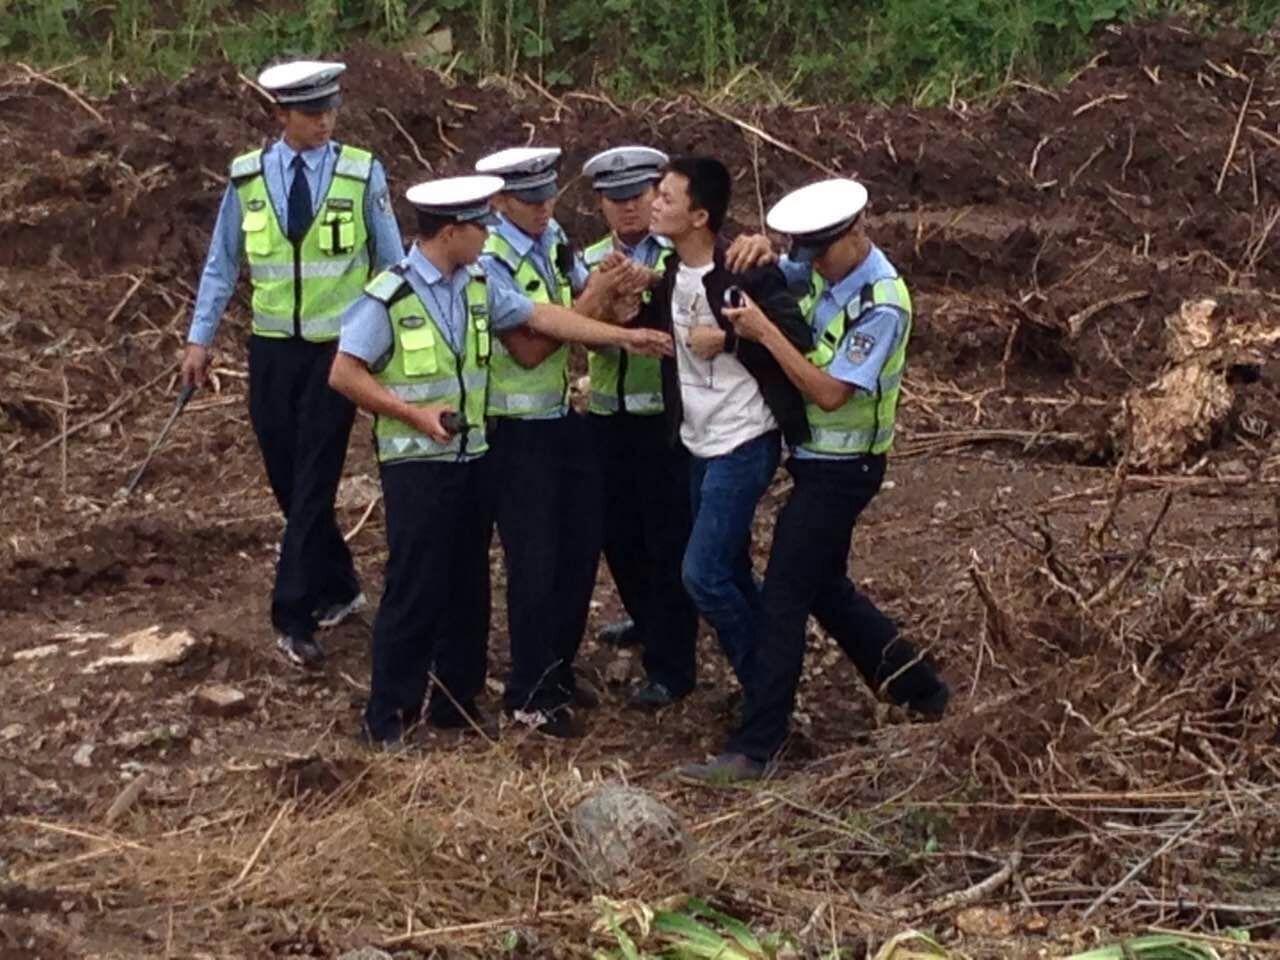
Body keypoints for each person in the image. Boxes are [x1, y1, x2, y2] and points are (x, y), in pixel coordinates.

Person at [328, 175, 671, 749]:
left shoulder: (478, 281)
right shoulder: (390, 294)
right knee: (414, 588)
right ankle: (387, 714)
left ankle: (456, 702)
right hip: (416, 462)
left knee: (468, 585)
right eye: (478, 227)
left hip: (473, 455)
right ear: (451, 231)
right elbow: (344, 372)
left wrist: (621, 336)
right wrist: (411, 412)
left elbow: (544, 318)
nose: (488, 234)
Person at [681, 179, 950, 782]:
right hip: (814, 464)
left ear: (855, 234)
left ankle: (758, 745)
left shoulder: (882, 304)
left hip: (844, 470)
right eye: (806, 255)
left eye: (820, 254)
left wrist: (762, 333)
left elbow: (829, 393)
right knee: (827, 590)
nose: (813, 268)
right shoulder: (823, 272)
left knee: (783, 599)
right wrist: (756, 251)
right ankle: (920, 690)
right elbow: (783, 280)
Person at [179, 60, 404, 667]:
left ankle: (293, 611)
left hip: (339, 350)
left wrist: (386, 342)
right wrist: (199, 339)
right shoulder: (248, 177)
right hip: (273, 347)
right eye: (310, 113)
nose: (324, 121)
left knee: (315, 476)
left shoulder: (361, 174)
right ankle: (339, 584)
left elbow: (391, 262)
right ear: (281, 116)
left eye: (330, 109)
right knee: (286, 475)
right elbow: (223, 264)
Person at [474, 145, 646, 737]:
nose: (544, 206)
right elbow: (529, 348)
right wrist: (594, 303)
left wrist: (617, 300)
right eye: (529, 199)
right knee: (535, 561)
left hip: (558, 417)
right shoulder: (488, 257)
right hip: (513, 428)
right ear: (498, 202)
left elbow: (592, 331)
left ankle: (558, 672)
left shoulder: (552, 240)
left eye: (548, 194)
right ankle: (528, 692)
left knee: (578, 550)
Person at [644, 156, 813, 703]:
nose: (653, 203)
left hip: (744, 439)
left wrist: (730, 339)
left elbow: (795, 335)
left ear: (699, 216)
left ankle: (767, 688)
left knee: (703, 574)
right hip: (699, 441)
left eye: (666, 198)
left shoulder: (745, 269)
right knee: (731, 570)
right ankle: (775, 670)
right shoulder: (670, 272)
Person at [579, 146, 700, 709]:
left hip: (664, 420)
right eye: (615, 199)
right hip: (606, 414)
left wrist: (649, 285)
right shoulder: (586, 259)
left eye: (638, 196)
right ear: (600, 203)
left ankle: (673, 666)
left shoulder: (679, 255)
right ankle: (646, 618)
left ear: (657, 194)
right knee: (616, 532)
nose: (628, 209)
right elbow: (575, 323)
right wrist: (603, 294)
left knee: (667, 537)